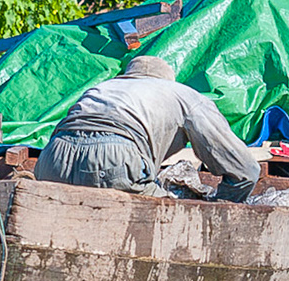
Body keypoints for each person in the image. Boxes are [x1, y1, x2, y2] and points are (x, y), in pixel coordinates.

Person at [35, 55, 259, 201]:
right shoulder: (183, 95)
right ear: (169, 80)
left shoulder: (104, 87)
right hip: (114, 157)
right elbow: (246, 171)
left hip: (51, 159)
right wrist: (218, 208)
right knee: (175, 215)